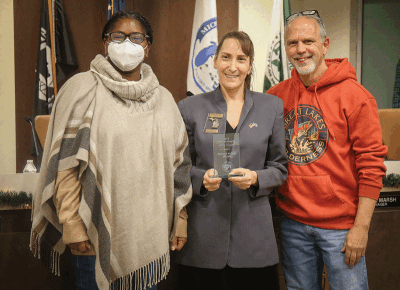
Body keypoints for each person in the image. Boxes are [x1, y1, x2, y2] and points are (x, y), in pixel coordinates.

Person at [30, 11, 192, 290]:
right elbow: (66, 167)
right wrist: (72, 224)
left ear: (148, 47)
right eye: (118, 36)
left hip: (147, 242)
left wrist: (180, 220)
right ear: (105, 44)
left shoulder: (164, 100)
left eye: (136, 37)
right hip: (93, 236)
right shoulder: (82, 90)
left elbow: (179, 167)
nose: (126, 43)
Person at [267, 10, 388, 290]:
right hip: (293, 223)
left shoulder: (356, 97)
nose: (300, 50)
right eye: (292, 43)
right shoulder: (276, 97)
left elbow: (371, 167)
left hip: (342, 227)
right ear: (285, 48)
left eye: (308, 41)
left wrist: (361, 228)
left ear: (325, 45)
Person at [174, 31, 288, 290]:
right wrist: (199, 179)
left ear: (250, 65)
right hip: (203, 238)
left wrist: (257, 178)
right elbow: (179, 167)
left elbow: (280, 167)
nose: (232, 66)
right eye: (226, 57)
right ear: (214, 61)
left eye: (241, 59)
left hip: (254, 240)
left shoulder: (272, 107)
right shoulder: (189, 107)